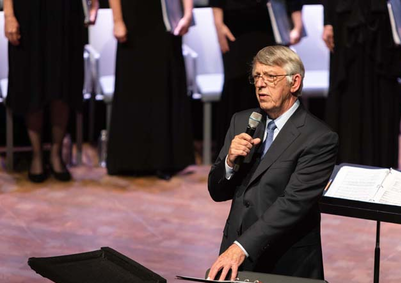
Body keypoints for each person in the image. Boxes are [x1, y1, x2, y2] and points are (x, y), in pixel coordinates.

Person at [207, 46, 338, 283]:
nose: (261, 84)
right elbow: (217, 191)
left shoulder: (318, 138)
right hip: (235, 265)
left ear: (295, 82)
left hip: (284, 265)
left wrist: (240, 248)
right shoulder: (243, 121)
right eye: (256, 77)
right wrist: (230, 162)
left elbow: (292, 204)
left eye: (270, 76)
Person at [3, 0, 99, 182]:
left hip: (66, 12)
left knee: (63, 83)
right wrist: (9, 15)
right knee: (32, 84)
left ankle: (56, 154)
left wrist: (93, 3)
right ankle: (37, 155)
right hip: (28, 14)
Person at [322, 0, 401, 169]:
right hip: (345, 21)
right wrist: (328, 21)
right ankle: (344, 164)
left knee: (384, 94)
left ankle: (382, 164)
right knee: (347, 94)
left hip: (384, 24)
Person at [106, 0, 195, 180]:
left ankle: (164, 161)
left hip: (165, 19)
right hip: (134, 21)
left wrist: (188, 13)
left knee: (163, 89)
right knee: (133, 89)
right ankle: (130, 160)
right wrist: (117, 20)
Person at [209, 0, 304, 157]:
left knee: (272, 86)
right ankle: (233, 154)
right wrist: (218, 25)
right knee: (238, 87)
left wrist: (297, 25)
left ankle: (272, 152)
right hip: (236, 30)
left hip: (269, 27)